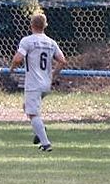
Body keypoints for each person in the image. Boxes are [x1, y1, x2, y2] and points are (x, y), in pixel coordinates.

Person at [8, 13, 67, 152]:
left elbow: (18, 59)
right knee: (27, 107)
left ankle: (46, 143)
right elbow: (62, 61)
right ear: (45, 26)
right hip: (46, 83)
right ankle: (40, 129)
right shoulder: (51, 42)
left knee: (33, 114)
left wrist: (12, 68)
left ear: (31, 25)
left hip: (33, 84)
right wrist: (52, 75)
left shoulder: (27, 41)